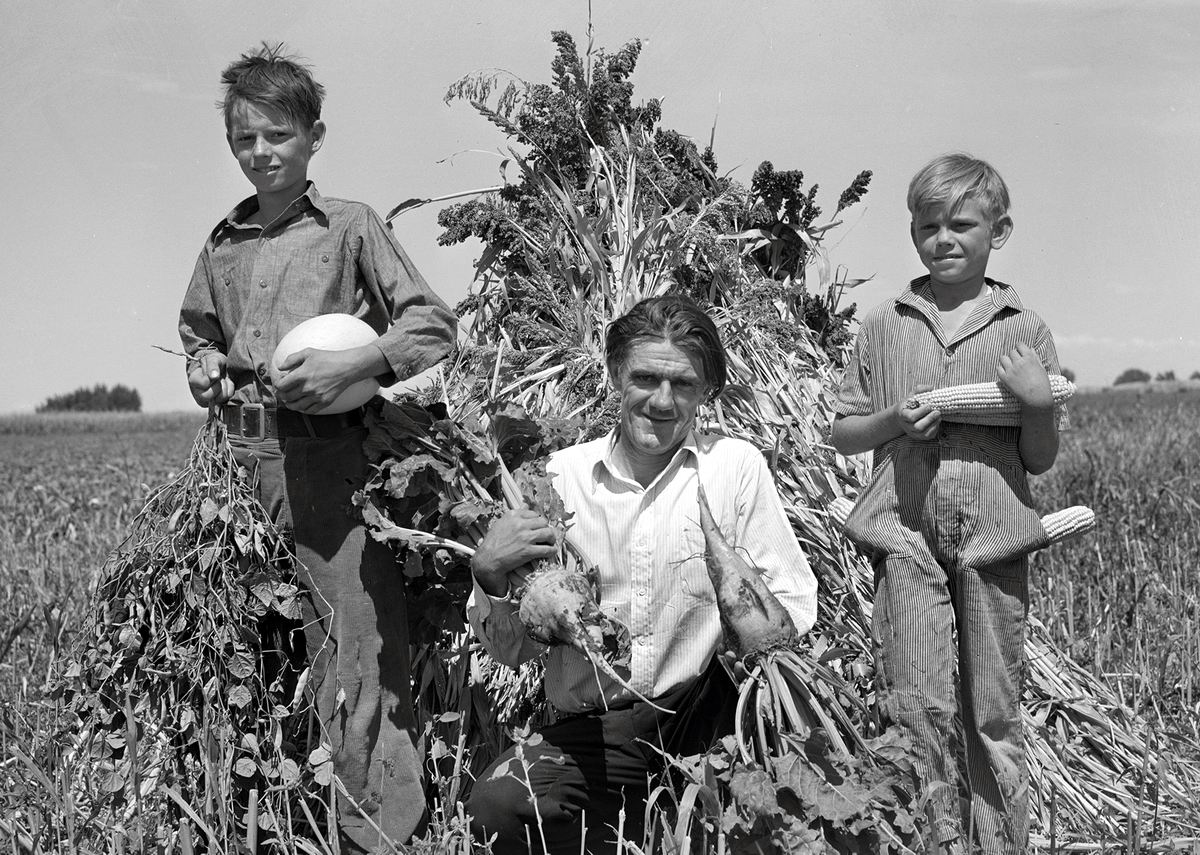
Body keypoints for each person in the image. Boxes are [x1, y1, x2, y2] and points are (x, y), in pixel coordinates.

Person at [178, 43, 457, 852]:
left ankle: (377, 833)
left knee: (354, 650)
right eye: (245, 140)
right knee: (243, 643)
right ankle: (254, 819)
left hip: (333, 466)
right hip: (235, 472)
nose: (261, 153)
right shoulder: (221, 244)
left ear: (314, 136)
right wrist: (202, 369)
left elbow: (432, 324)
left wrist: (361, 357)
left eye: (277, 136)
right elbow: (197, 332)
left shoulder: (351, 227)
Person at [464, 294, 818, 854]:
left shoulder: (734, 468)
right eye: (646, 378)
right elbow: (515, 652)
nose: (662, 400)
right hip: (599, 731)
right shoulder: (560, 478)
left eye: (683, 385)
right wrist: (489, 572)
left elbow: (795, 603)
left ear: (706, 391)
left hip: (712, 718)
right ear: (614, 376)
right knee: (496, 808)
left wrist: (746, 624)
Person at [830, 153, 1067, 854]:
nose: (943, 238)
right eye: (927, 225)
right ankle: (927, 842)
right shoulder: (884, 324)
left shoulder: (1026, 329)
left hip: (994, 540)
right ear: (912, 232)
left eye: (961, 224)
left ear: (1000, 229)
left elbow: (1040, 457)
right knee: (917, 711)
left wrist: (1036, 403)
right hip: (904, 536)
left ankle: (999, 845)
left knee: (993, 714)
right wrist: (895, 423)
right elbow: (843, 432)